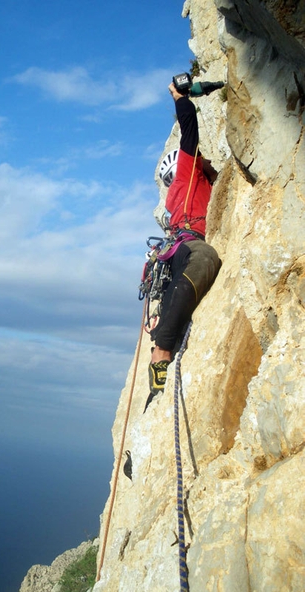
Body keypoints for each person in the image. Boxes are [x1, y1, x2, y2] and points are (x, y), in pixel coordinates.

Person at [145, 82, 221, 411]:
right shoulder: (187, 174)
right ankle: (160, 367)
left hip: (176, 252)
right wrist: (180, 98)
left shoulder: (176, 198)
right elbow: (189, 127)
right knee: (205, 258)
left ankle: (157, 378)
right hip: (190, 248)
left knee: (168, 322)